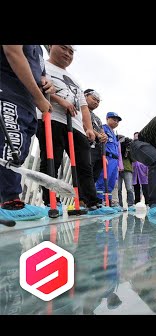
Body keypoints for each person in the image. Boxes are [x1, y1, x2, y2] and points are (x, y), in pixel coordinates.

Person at [35, 45, 113, 215]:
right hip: (51, 118)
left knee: (84, 165)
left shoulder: (75, 79)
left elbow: (84, 107)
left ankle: (91, 202)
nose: (68, 54)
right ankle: (51, 202)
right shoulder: (41, 65)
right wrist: (59, 100)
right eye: (64, 48)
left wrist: (89, 128)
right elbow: (36, 87)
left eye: (71, 52)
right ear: (50, 47)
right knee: (51, 161)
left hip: (76, 126)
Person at [0, 45, 53, 221]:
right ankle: (9, 201)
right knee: (10, 147)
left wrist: (46, 83)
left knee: (19, 150)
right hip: (8, 92)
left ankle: (11, 200)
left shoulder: (39, 50)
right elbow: (12, 52)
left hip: (27, 104)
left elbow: (40, 74)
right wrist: (39, 98)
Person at [95, 112, 122, 206]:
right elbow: (100, 143)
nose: (116, 122)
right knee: (102, 180)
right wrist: (102, 156)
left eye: (117, 121)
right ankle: (98, 202)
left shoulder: (114, 134)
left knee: (111, 182)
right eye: (114, 119)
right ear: (107, 119)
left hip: (115, 160)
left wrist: (118, 164)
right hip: (107, 157)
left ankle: (108, 203)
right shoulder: (103, 128)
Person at [84, 89, 107, 182]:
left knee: (95, 177)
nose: (96, 102)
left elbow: (102, 132)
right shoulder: (81, 111)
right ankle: (80, 196)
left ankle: (90, 196)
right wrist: (98, 135)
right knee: (86, 174)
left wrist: (104, 136)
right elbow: (82, 125)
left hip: (99, 150)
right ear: (85, 96)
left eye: (98, 101)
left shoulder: (97, 118)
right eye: (94, 99)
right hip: (87, 147)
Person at [117, 134, 135, 211]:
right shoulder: (116, 146)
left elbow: (134, 159)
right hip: (117, 169)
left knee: (129, 188)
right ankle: (119, 205)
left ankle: (130, 205)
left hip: (127, 169)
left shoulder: (128, 148)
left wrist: (128, 152)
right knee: (118, 188)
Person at [132, 131, 149, 205]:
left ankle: (148, 203)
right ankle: (137, 203)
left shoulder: (144, 146)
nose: (136, 137)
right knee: (136, 188)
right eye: (135, 136)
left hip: (144, 170)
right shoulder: (132, 146)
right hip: (135, 170)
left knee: (145, 188)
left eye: (137, 136)